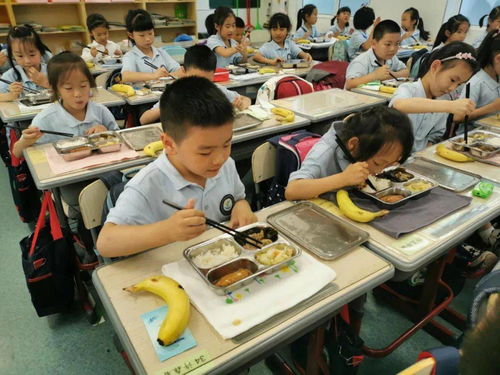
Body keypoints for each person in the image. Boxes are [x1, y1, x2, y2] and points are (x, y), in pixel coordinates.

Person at [97, 77, 257, 257]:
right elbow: (106, 243)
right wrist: (167, 231)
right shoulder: (148, 184)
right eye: (205, 152)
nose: (219, 159)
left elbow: (238, 198)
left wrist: (241, 207)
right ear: (169, 144)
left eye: (227, 144)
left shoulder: (226, 166)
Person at [285, 106, 414, 201]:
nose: (379, 171)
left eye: (388, 165)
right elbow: (292, 190)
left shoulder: (371, 146)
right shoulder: (325, 151)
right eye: (378, 163)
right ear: (353, 145)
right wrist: (343, 179)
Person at [13, 51, 118, 158]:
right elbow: (17, 153)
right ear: (56, 90)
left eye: (83, 86)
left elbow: (120, 139)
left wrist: (107, 134)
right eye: (68, 88)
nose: (78, 94)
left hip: (101, 170)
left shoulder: (100, 111)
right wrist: (26, 141)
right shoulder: (45, 119)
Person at [390, 42, 479, 152]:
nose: (453, 88)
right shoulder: (409, 89)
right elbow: (399, 105)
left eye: (459, 84)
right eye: (452, 80)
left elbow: (433, 137)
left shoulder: (444, 99)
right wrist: (449, 106)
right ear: (435, 66)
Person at [140, 45, 251, 125]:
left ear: (213, 75)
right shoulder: (176, 94)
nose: (199, 86)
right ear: (183, 72)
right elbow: (143, 119)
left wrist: (242, 104)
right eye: (195, 79)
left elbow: (246, 99)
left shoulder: (216, 90)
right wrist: (168, 107)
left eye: (205, 81)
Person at [345, 20, 408, 90]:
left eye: (397, 43)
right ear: (374, 44)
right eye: (388, 44)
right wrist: (374, 76)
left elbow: (407, 72)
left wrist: (392, 75)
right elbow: (349, 84)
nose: (393, 48)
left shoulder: (391, 58)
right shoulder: (361, 61)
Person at [121, 9, 181, 82]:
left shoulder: (161, 52)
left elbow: (179, 70)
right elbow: (126, 76)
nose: (147, 39)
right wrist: (154, 76)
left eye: (150, 33)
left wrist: (169, 75)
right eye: (142, 35)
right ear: (131, 35)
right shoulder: (130, 56)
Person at [0, 25, 51, 102]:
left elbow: (70, 93)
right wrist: (11, 95)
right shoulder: (10, 76)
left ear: (41, 52)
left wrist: (47, 83)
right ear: (13, 56)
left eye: (32, 55)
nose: (27, 61)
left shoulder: (52, 71)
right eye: (20, 56)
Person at [457, 31, 499, 122]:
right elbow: (458, 117)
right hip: (473, 133)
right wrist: (492, 107)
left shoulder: (497, 77)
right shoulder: (476, 83)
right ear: (498, 59)